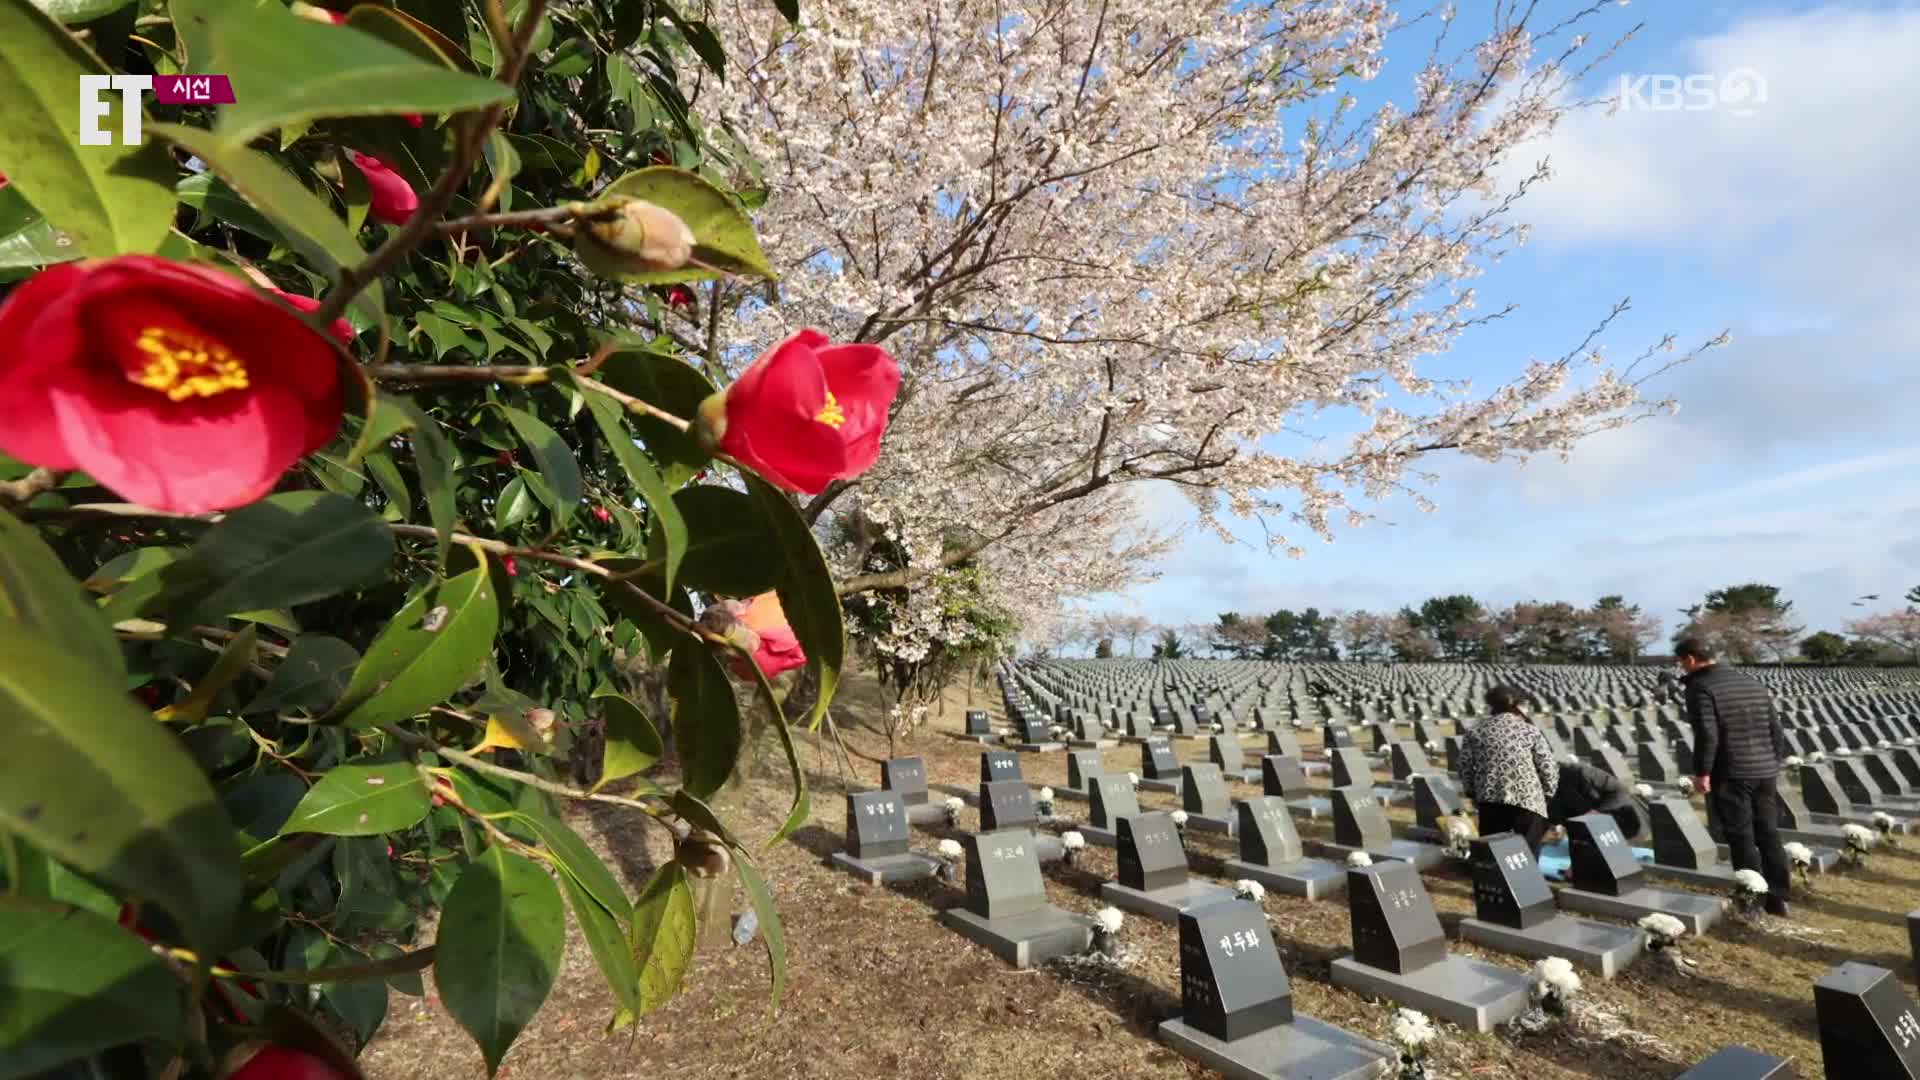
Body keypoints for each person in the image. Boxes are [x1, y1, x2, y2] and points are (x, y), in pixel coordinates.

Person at [1679, 637, 1792, 916]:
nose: (1681, 668)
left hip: (1731, 770)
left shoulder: (1701, 687)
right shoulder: (1751, 682)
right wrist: (1772, 761)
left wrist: (1703, 772)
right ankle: (1779, 897)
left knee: (1740, 834)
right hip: (1764, 769)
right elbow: (1775, 728)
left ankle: (1751, 898)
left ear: (1691, 659)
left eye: (1681, 662)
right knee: (1768, 832)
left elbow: (1707, 733)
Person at [1456, 685, 1559, 855]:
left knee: (1494, 853)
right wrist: (1547, 794)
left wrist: (1472, 793)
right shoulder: (1530, 731)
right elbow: (1548, 767)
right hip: (1527, 799)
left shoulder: (1474, 731)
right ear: (1517, 705)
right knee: (1528, 855)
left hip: (1490, 798)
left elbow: (1464, 766)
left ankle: (1495, 881)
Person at [1548, 760, 1648, 842]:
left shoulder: (1582, 772)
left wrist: (1598, 812)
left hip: (1617, 817)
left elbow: (1619, 789)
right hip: (1583, 823)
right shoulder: (1546, 789)